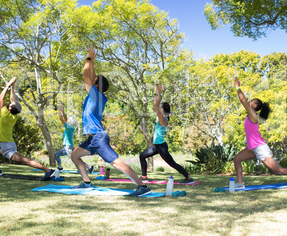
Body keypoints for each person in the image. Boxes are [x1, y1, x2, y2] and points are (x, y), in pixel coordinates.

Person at [70, 47, 151, 196]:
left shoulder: (94, 95)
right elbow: (93, 77)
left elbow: (86, 76)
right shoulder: (99, 95)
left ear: (96, 86)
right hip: (93, 138)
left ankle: (142, 187)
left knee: (116, 163)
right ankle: (87, 183)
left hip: (98, 137)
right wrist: (93, 62)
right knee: (74, 155)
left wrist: (88, 60)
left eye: (94, 81)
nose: (92, 80)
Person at [232, 77, 287, 189]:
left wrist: (238, 86)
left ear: (254, 106)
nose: (248, 102)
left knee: (279, 170)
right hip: (253, 148)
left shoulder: (252, 114)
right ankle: (240, 184)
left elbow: (242, 99)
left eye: (251, 101)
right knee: (237, 159)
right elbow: (244, 101)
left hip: (259, 148)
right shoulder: (251, 115)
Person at [0, 77, 55, 180]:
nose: (12, 102)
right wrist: (13, 88)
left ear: (9, 109)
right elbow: (12, 100)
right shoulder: (14, 116)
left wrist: (8, 85)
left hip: (7, 147)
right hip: (4, 144)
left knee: (25, 161)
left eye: (11, 104)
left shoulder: (5, 115)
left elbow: (1, 98)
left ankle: (48, 170)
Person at [139, 84, 194, 184]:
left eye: (160, 107)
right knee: (142, 156)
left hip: (161, 147)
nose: (158, 108)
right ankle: (144, 177)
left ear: (162, 110)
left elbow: (155, 104)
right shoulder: (162, 118)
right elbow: (157, 104)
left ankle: (188, 177)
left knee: (172, 164)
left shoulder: (163, 120)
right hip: (156, 146)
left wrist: (157, 91)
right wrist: (159, 93)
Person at [55, 105, 94, 173]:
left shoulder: (69, 127)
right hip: (67, 147)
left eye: (67, 120)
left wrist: (59, 111)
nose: (66, 120)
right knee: (56, 154)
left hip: (68, 147)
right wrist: (63, 112)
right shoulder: (70, 127)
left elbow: (61, 118)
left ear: (69, 122)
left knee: (74, 158)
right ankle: (60, 167)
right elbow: (65, 118)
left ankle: (89, 167)